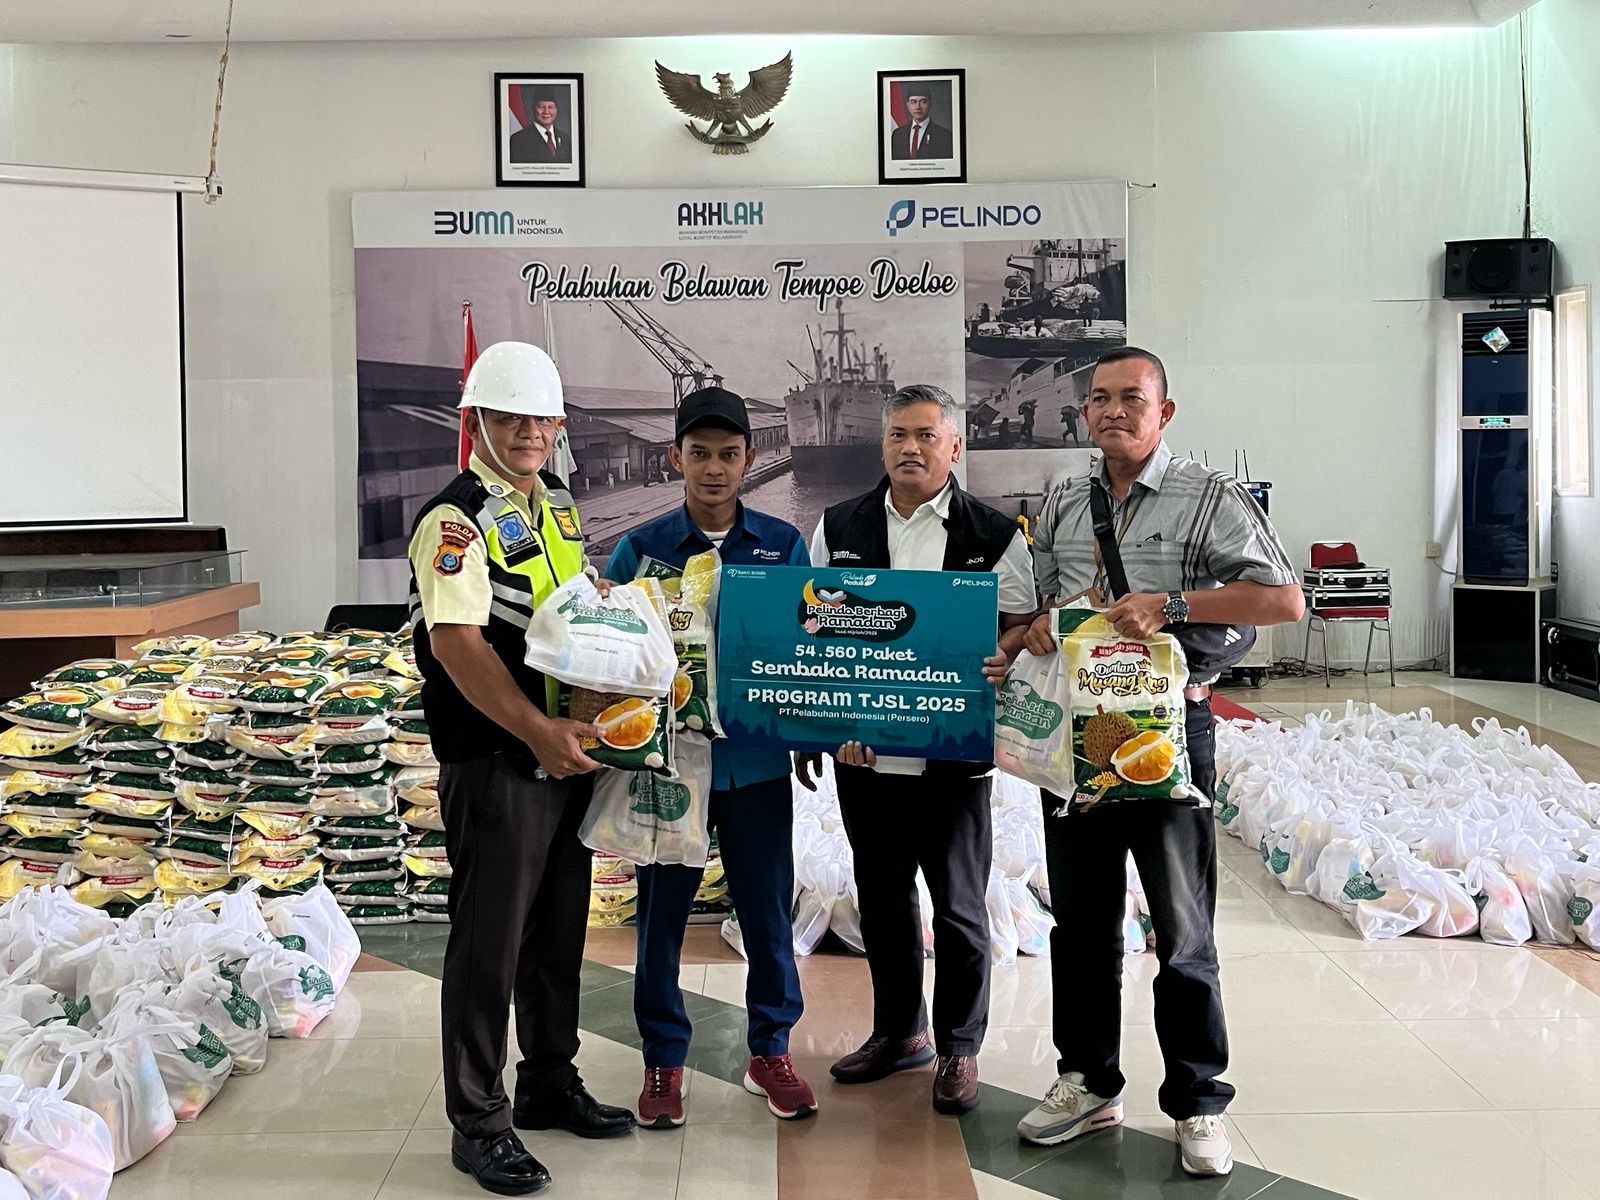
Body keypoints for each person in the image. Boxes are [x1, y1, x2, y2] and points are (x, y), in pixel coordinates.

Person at [1016, 346, 1302, 1177]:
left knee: (1182, 930)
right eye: (1099, 398)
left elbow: (1283, 598)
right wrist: (1038, 629)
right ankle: (1087, 1080)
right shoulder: (1064, 501)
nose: (1113, 411)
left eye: (1131, 398)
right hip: (1079, 742)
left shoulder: (1208, 496)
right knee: (1081, 925)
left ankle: (1199, 1099)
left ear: (1163, 412)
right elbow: (1044, 606)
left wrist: (1171, 603)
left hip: (1171, 736)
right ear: (1085, 411)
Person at [406, 341, 636, 1197]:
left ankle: (547, 1080)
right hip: (497, 757)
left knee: (556, 934)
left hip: (562, 753)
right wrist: (536, 730)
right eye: (510, 418)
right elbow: (457, 643)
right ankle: (478, 1121)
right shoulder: (454, 520)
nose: (529, 433)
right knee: (488, 946)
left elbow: (566, 609)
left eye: (541, 419)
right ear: (476, 422)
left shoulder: (560, 507)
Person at [797, 383, 1037, 1116]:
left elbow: (1021, 622)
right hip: (865, 755)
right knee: (883, 902)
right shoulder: (838, 525)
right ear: (882, 444)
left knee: (960, 908)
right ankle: (901, 1033)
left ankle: (960, 1047)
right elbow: (813, 628)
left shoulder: (993, 535)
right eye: (898, 435)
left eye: (926, 436)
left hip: (952, 755)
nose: (910, 448)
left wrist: (1002, 653)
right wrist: (821, 723)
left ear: (954, 447)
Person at [605, 387, 816, 1129]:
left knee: (766, 912)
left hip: (756, 764)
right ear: (676, 458)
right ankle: (663, 1057)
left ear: (750, 458)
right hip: (669, 768)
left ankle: (771, 1050)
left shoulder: (783, 546)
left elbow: (808, 651)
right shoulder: (642, 550)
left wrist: (809, 732)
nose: (715, 468)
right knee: (661, 916)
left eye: (729, 454)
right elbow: (612, 656)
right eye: (700, 454)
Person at [890, 82, 954, 160]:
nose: (918, 107)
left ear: (930, 104)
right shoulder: (897, 135)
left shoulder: (944, 136)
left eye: (923, 101)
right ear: (908, 106)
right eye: (913, 102)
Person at [510, 87, 573, 163]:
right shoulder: (518, 140)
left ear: (556, 110)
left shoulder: (566, 139)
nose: (546, 111)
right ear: (533, 109)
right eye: (541, 107)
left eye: (550, 107)